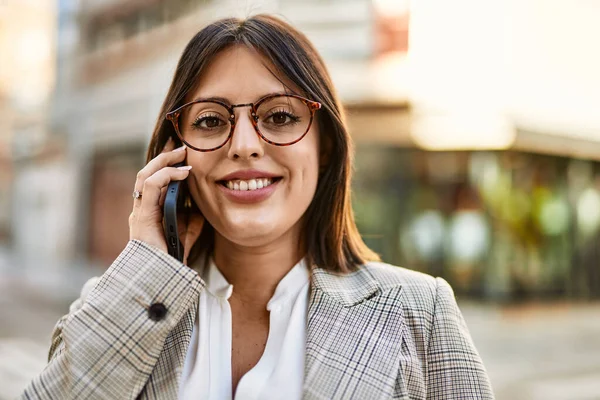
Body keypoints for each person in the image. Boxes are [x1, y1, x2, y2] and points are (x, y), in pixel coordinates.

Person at [22, 14, 493, 400]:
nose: (244, 145)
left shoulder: (420, 312)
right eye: (210, 120)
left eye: (280, 116)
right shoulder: (120, 303)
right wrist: (147, 265)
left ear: (324, 146)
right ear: (175, 154)